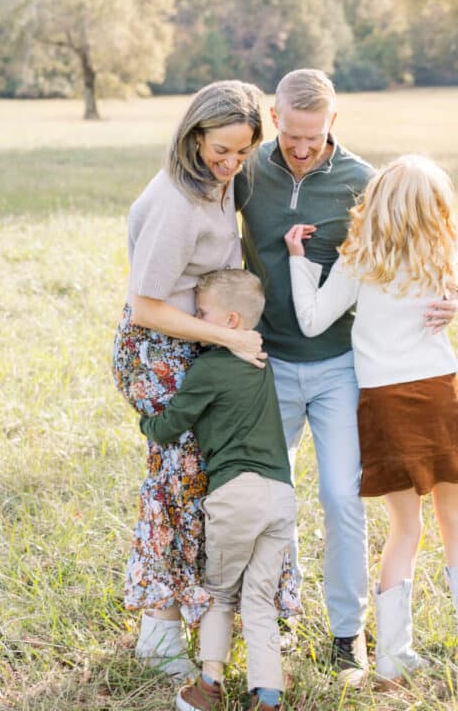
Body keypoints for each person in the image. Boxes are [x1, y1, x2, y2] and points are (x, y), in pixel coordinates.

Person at [235, 69, 458, 686]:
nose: (302, 148)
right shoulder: (247, 172)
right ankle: (276, 611)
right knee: (267, 498)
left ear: (333, 122)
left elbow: (427, 249)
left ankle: (346, 633)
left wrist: (456, 291)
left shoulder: (363, 182)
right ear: (275, 117)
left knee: (340, 496)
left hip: (340, 367)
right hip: (266, 363)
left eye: (315, 136)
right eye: (291, 135)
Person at [284, 154, 458, 682]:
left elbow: (312, 322)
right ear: (436, 211)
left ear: (376, 204)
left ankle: (390, 657)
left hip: (382, 404)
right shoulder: (442, 256)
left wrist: (296, 258)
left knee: (405, 528)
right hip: (437, 395)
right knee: (457, 520)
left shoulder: (358, 259)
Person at [112, 80, 298, 679]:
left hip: (198, 338)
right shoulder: (177, 201)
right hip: (161, 347)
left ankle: (206, 618)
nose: (233, 164)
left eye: (243, 153)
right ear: (193, 134)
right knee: (175, 484)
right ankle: (159, 631)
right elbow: (145, 307)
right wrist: (231, 338)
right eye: (223, 150)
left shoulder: (220, 181)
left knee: (199, 486)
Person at [139, 268, 295, 711]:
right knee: (260, 598)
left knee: (222, 593)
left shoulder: (208, 368)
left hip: (236, 495)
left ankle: (208, 688)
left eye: (202, 313)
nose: (197, 320)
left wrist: (145, 418)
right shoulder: (258, 360)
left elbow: (170, 425)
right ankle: (267, 696)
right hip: (281, 495)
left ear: (228, 323)